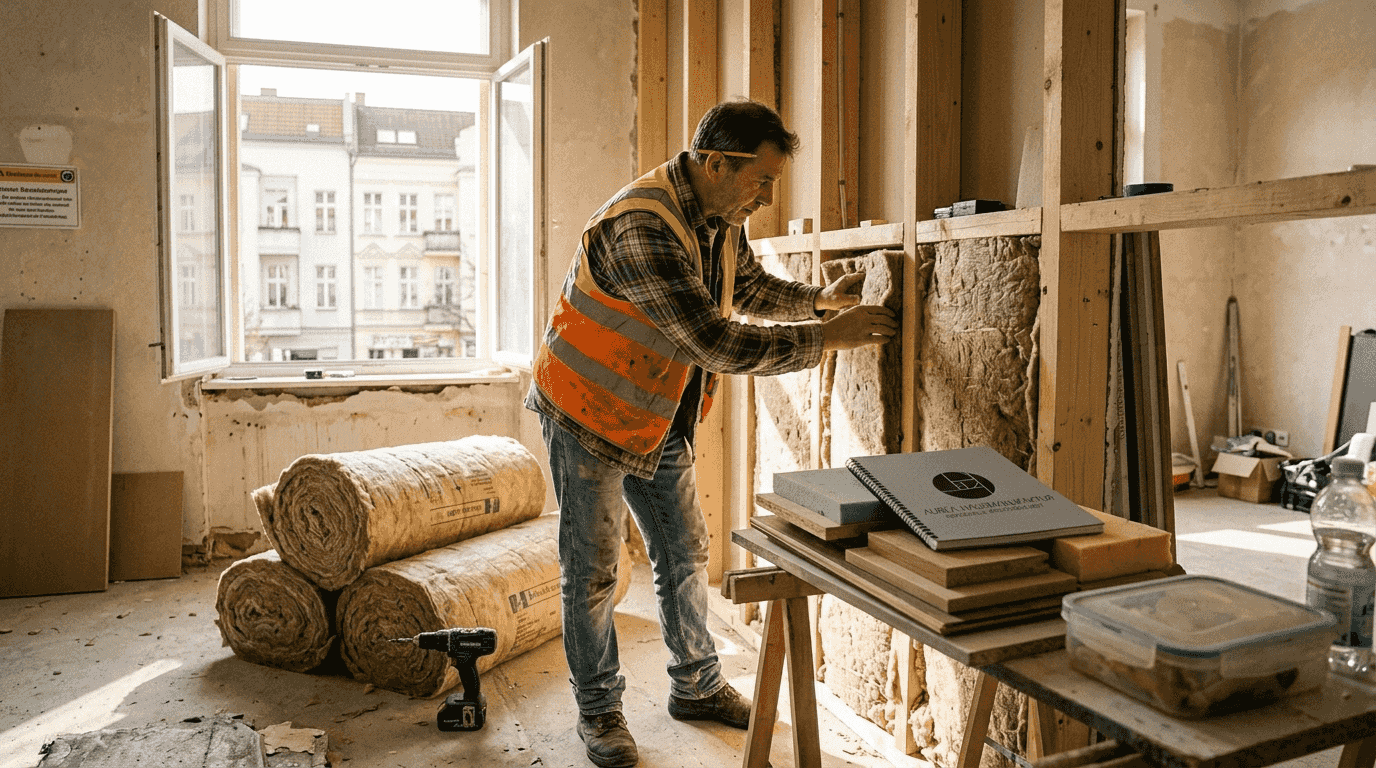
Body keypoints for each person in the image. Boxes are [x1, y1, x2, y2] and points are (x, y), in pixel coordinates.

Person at [525, 99, 898, 768]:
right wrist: (824, 340)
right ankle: (599, 713)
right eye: (762, 180)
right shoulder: (644, 226)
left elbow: (745, 286)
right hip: (587, 411)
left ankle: (696, 687)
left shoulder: (718, 217)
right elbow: (712, 339)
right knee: (593, 572)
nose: (766, 195)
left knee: (685, 552)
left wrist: (818, 300)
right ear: (717, 163)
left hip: (656, 412)